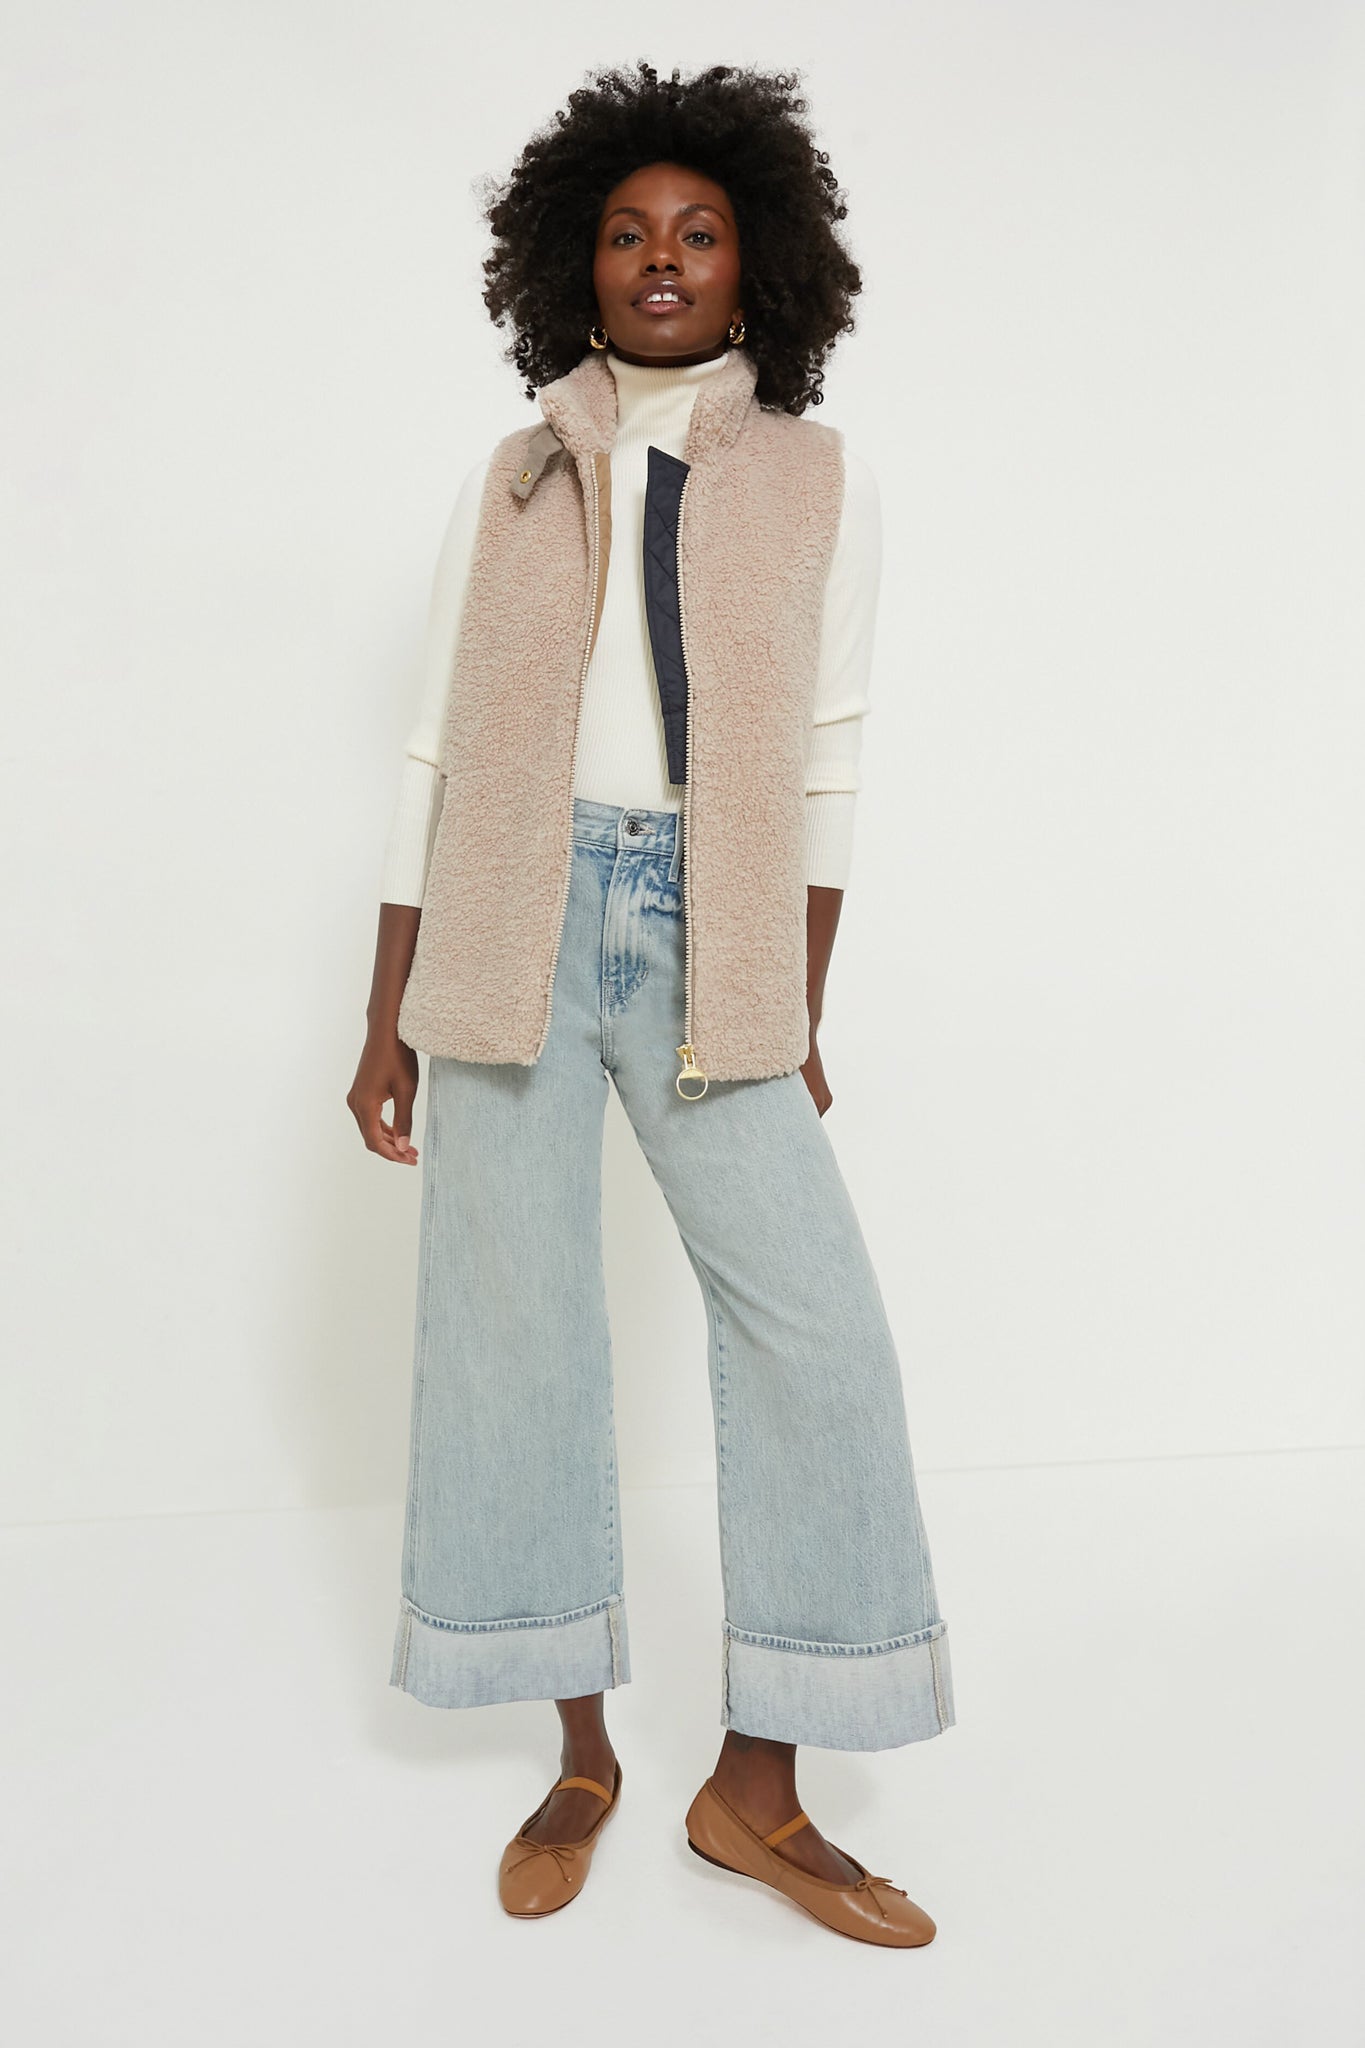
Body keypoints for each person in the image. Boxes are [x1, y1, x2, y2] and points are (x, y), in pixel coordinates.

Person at [348, 60, 955, 1948]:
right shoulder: (517, 471)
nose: (661, 258)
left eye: (697, 230)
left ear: (759, 260)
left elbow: (830, 764)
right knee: (514, 1342)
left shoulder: (819, 480)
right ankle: (581, 1754)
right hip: (507, 928)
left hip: (714, 933)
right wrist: (383, 1014)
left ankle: (754, 1793)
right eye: (625, 233)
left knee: (818, 1339)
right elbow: (436, 748)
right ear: (574, 264)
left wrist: (794, 999)